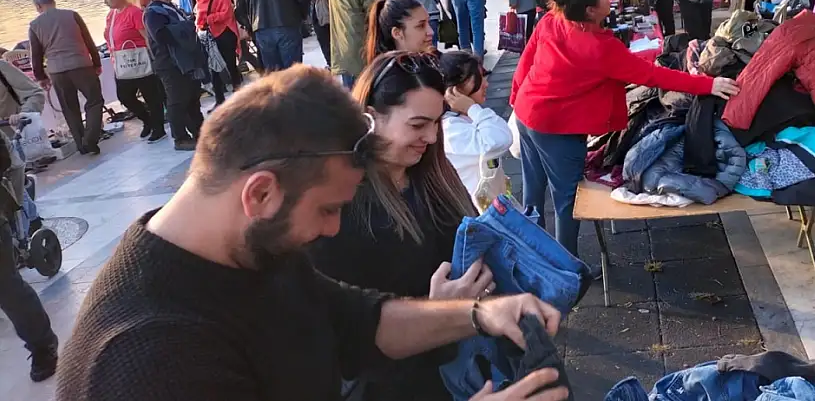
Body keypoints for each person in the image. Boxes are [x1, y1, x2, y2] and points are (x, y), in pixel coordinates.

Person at [55, 65, 568, 401]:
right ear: (259, 193)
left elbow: (355, 320)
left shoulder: (252, 252)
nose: (335, 227)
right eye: (327, 208)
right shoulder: (151, 358)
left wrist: (477, 315)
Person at [511, 0, 739, 257]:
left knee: (533, 194)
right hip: (556, 128)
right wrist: (708, 84)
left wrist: (515, 97)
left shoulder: (550, 21)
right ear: (591, 9)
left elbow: (525, 61)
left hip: (526, 112)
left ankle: (530, 255)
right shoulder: (602, 49)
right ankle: (565, 269)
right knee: (567, 201)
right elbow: (653, 76)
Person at [309, 51, 480, 401]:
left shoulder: (436, 177)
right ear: (370, 119)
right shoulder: (340, 206)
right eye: (418, 125)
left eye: (437, 122)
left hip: (466, 365)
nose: (431, 137)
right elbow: (337, 331)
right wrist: (433, 312)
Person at [0, 59, 58, 383]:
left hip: (5, 167)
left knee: (6, 284)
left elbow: (33, 94)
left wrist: (21, 119)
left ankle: (42, 344)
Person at [28, 0, 104, 155]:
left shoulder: (34, 25)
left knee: (69, 108)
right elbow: (88, 41)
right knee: (95, 101)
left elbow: (36, 55)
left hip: (57, 71)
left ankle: (81, 145)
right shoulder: (72, 15)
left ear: (38, 6)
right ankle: (90, 138)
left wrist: (41, 77)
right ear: (53, 1)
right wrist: (96, 63)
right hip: (81, 65)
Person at [441, 50, 514, 205]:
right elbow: (501, 138)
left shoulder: (459, 119)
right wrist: (473, 108)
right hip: (478, 213)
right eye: (479, 79)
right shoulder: (451, 129)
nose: (486, 83)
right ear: (456, 89)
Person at [144, 0, 205, 151]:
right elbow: (161, 35)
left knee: (192, 97)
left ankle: (199, 131)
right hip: (169, 64)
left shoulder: (170, 8)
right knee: (177, 100)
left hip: (184, 62)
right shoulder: (153, 13)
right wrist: (186, 27)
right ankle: (180, 138)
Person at [101, 0, 166, 143]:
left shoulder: (134, 12)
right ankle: (147, 119)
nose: (105, 2)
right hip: (122, 62)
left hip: (140, 58)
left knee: (151, 96)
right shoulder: (112, 15)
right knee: (124, 96)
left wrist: (155, 57)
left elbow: (146, 36)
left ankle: (158, 127)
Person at [330, 0, 381, 89]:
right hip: (364, 53)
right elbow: (378, 18)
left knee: (352, 100)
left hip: (343, 52)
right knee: (367, 98)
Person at [193, 0, 241, 105]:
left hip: (224, 33)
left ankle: (239, 96)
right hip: (208, 35)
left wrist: (209, 18)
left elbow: (227, 12)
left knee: (230, 65)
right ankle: (219, 100)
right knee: (213, 68)